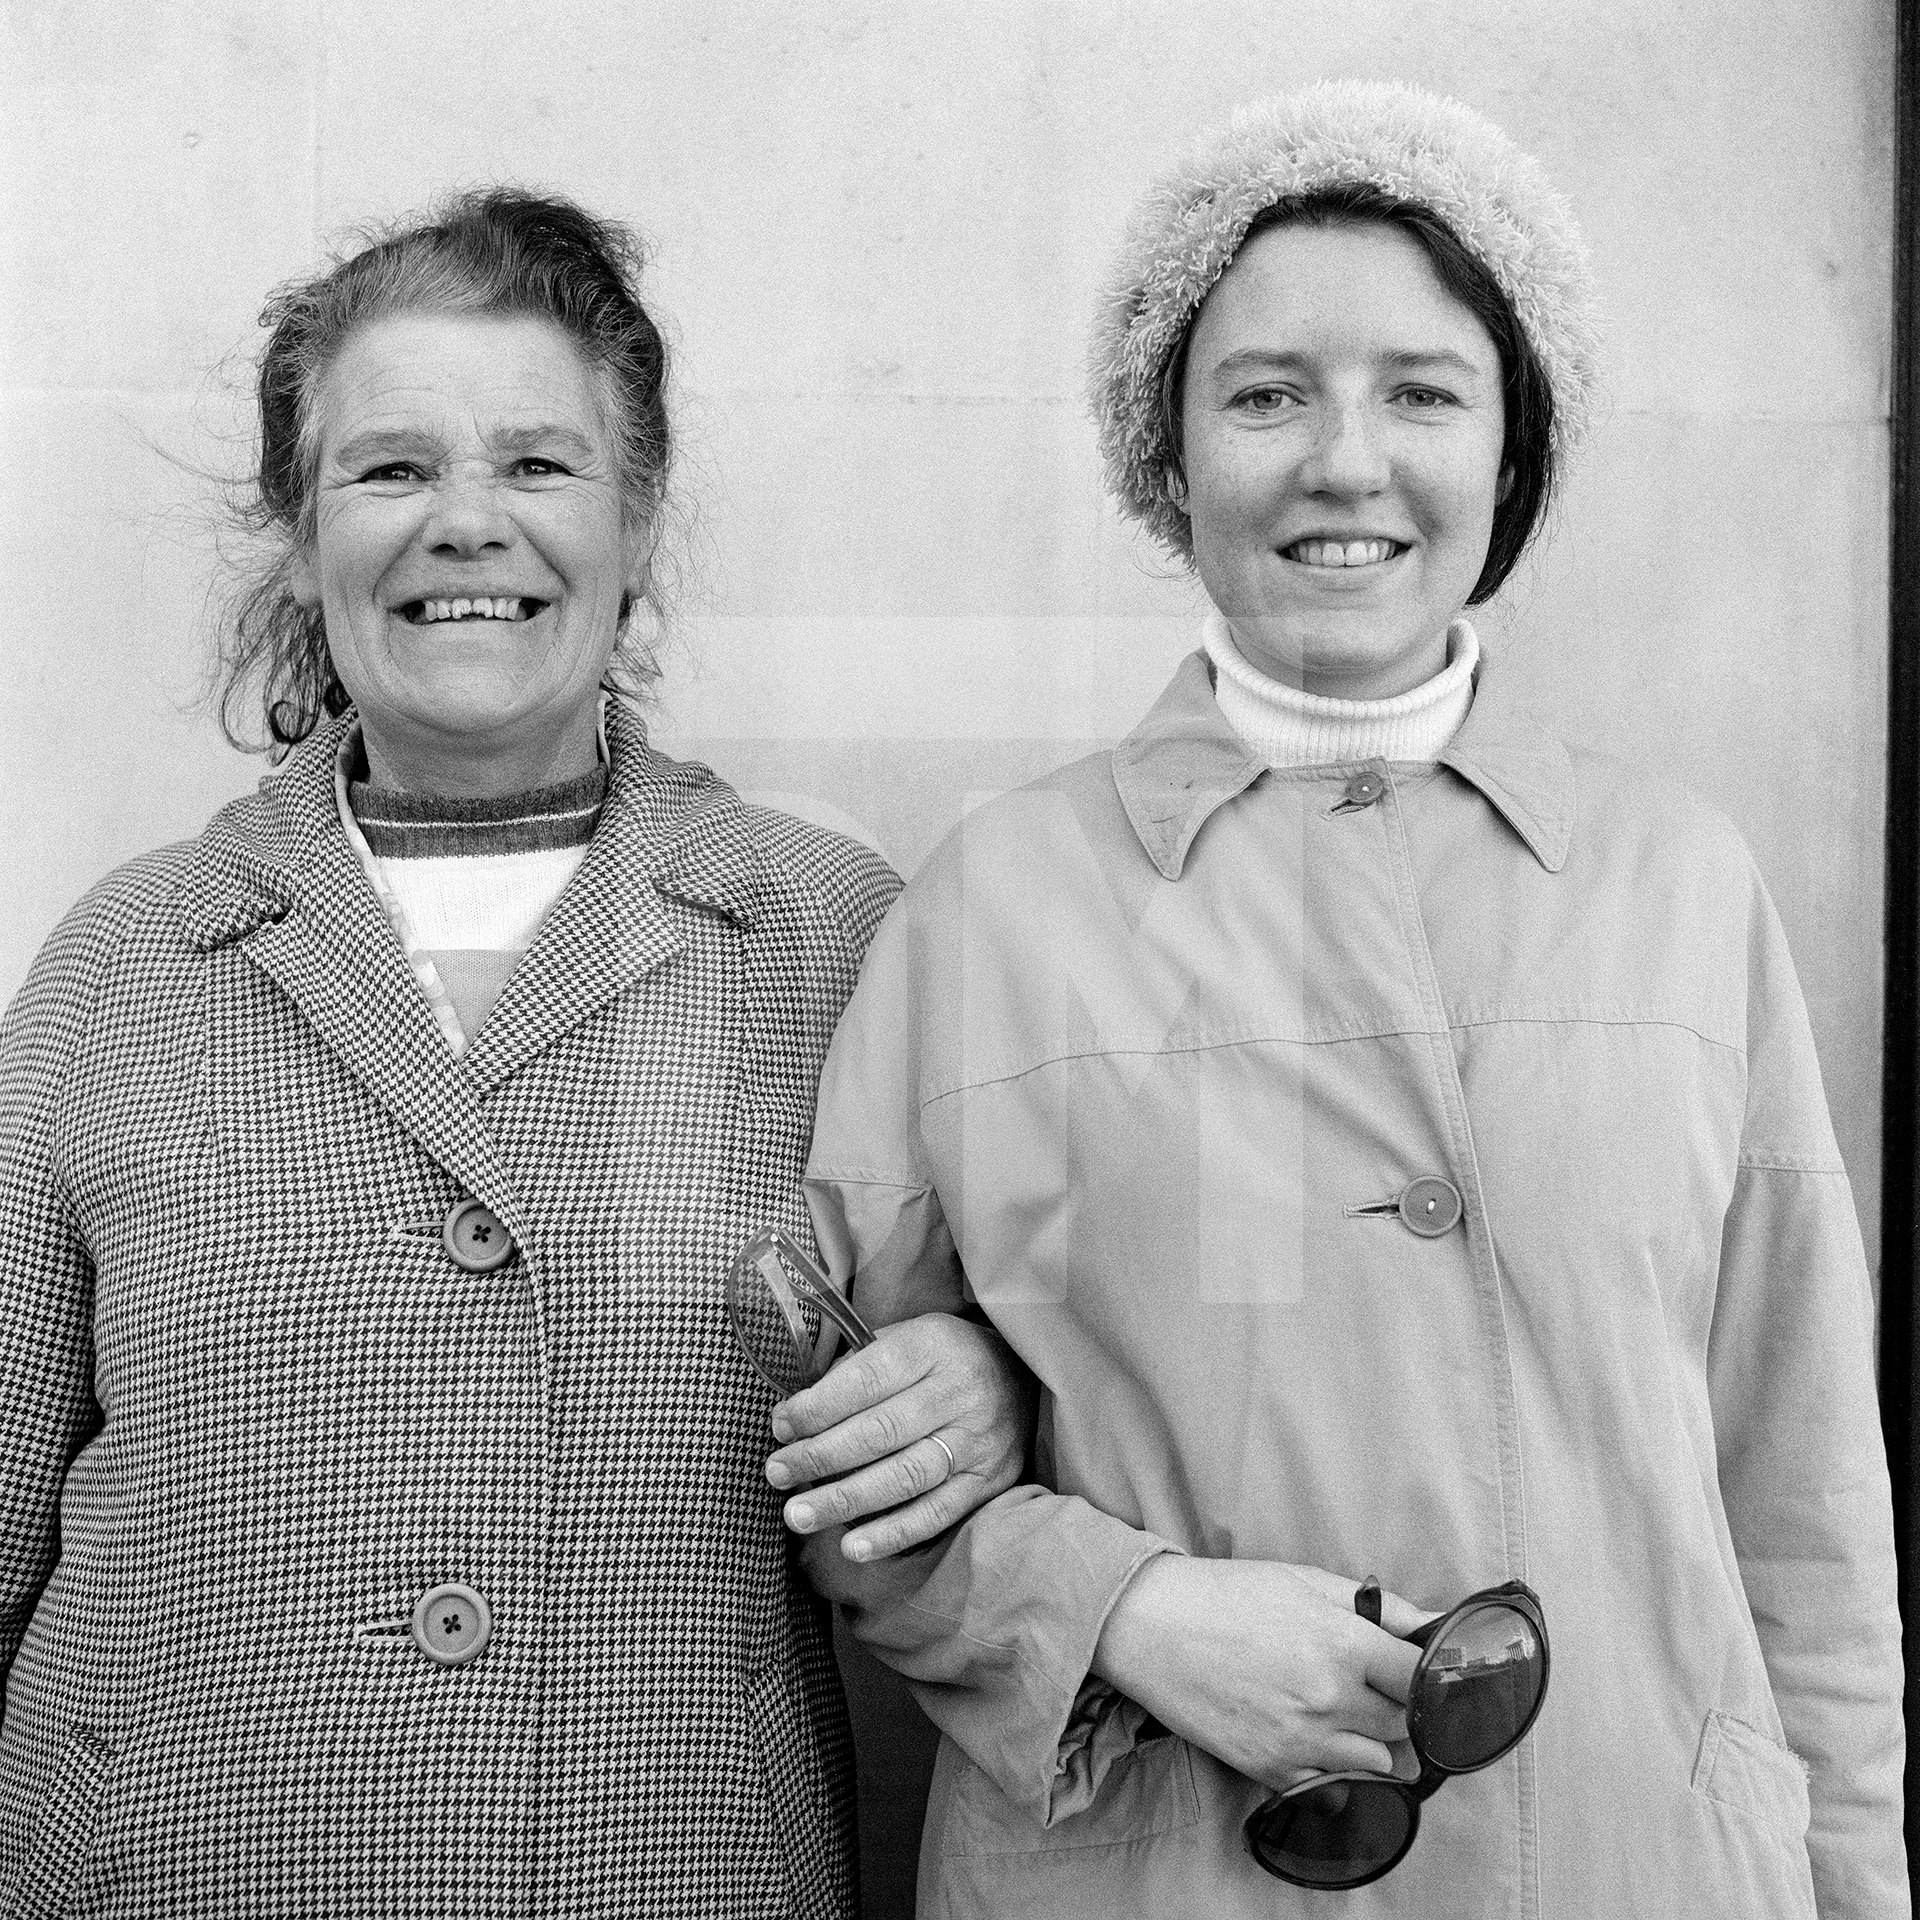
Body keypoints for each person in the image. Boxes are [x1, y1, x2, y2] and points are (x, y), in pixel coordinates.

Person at [770, 82, 1907, 1918]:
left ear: (1512, 453)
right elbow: (849, 1476)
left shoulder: (1681, 882)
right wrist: (1118, 1607)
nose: (1346, 461)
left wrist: (1851, 1883)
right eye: (1269, 392)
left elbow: (1803, 1498)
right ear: (1174, 453)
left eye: (1423, 392)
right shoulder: (997, 902)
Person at [0, 189, 1028, 1918]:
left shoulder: (843, 937)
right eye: (391, 470)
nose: (466, 525)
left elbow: (1082, 1370)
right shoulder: (121, 964)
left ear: (636, 524)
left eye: (538, 467)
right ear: (301, 528)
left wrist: (996, 1388)